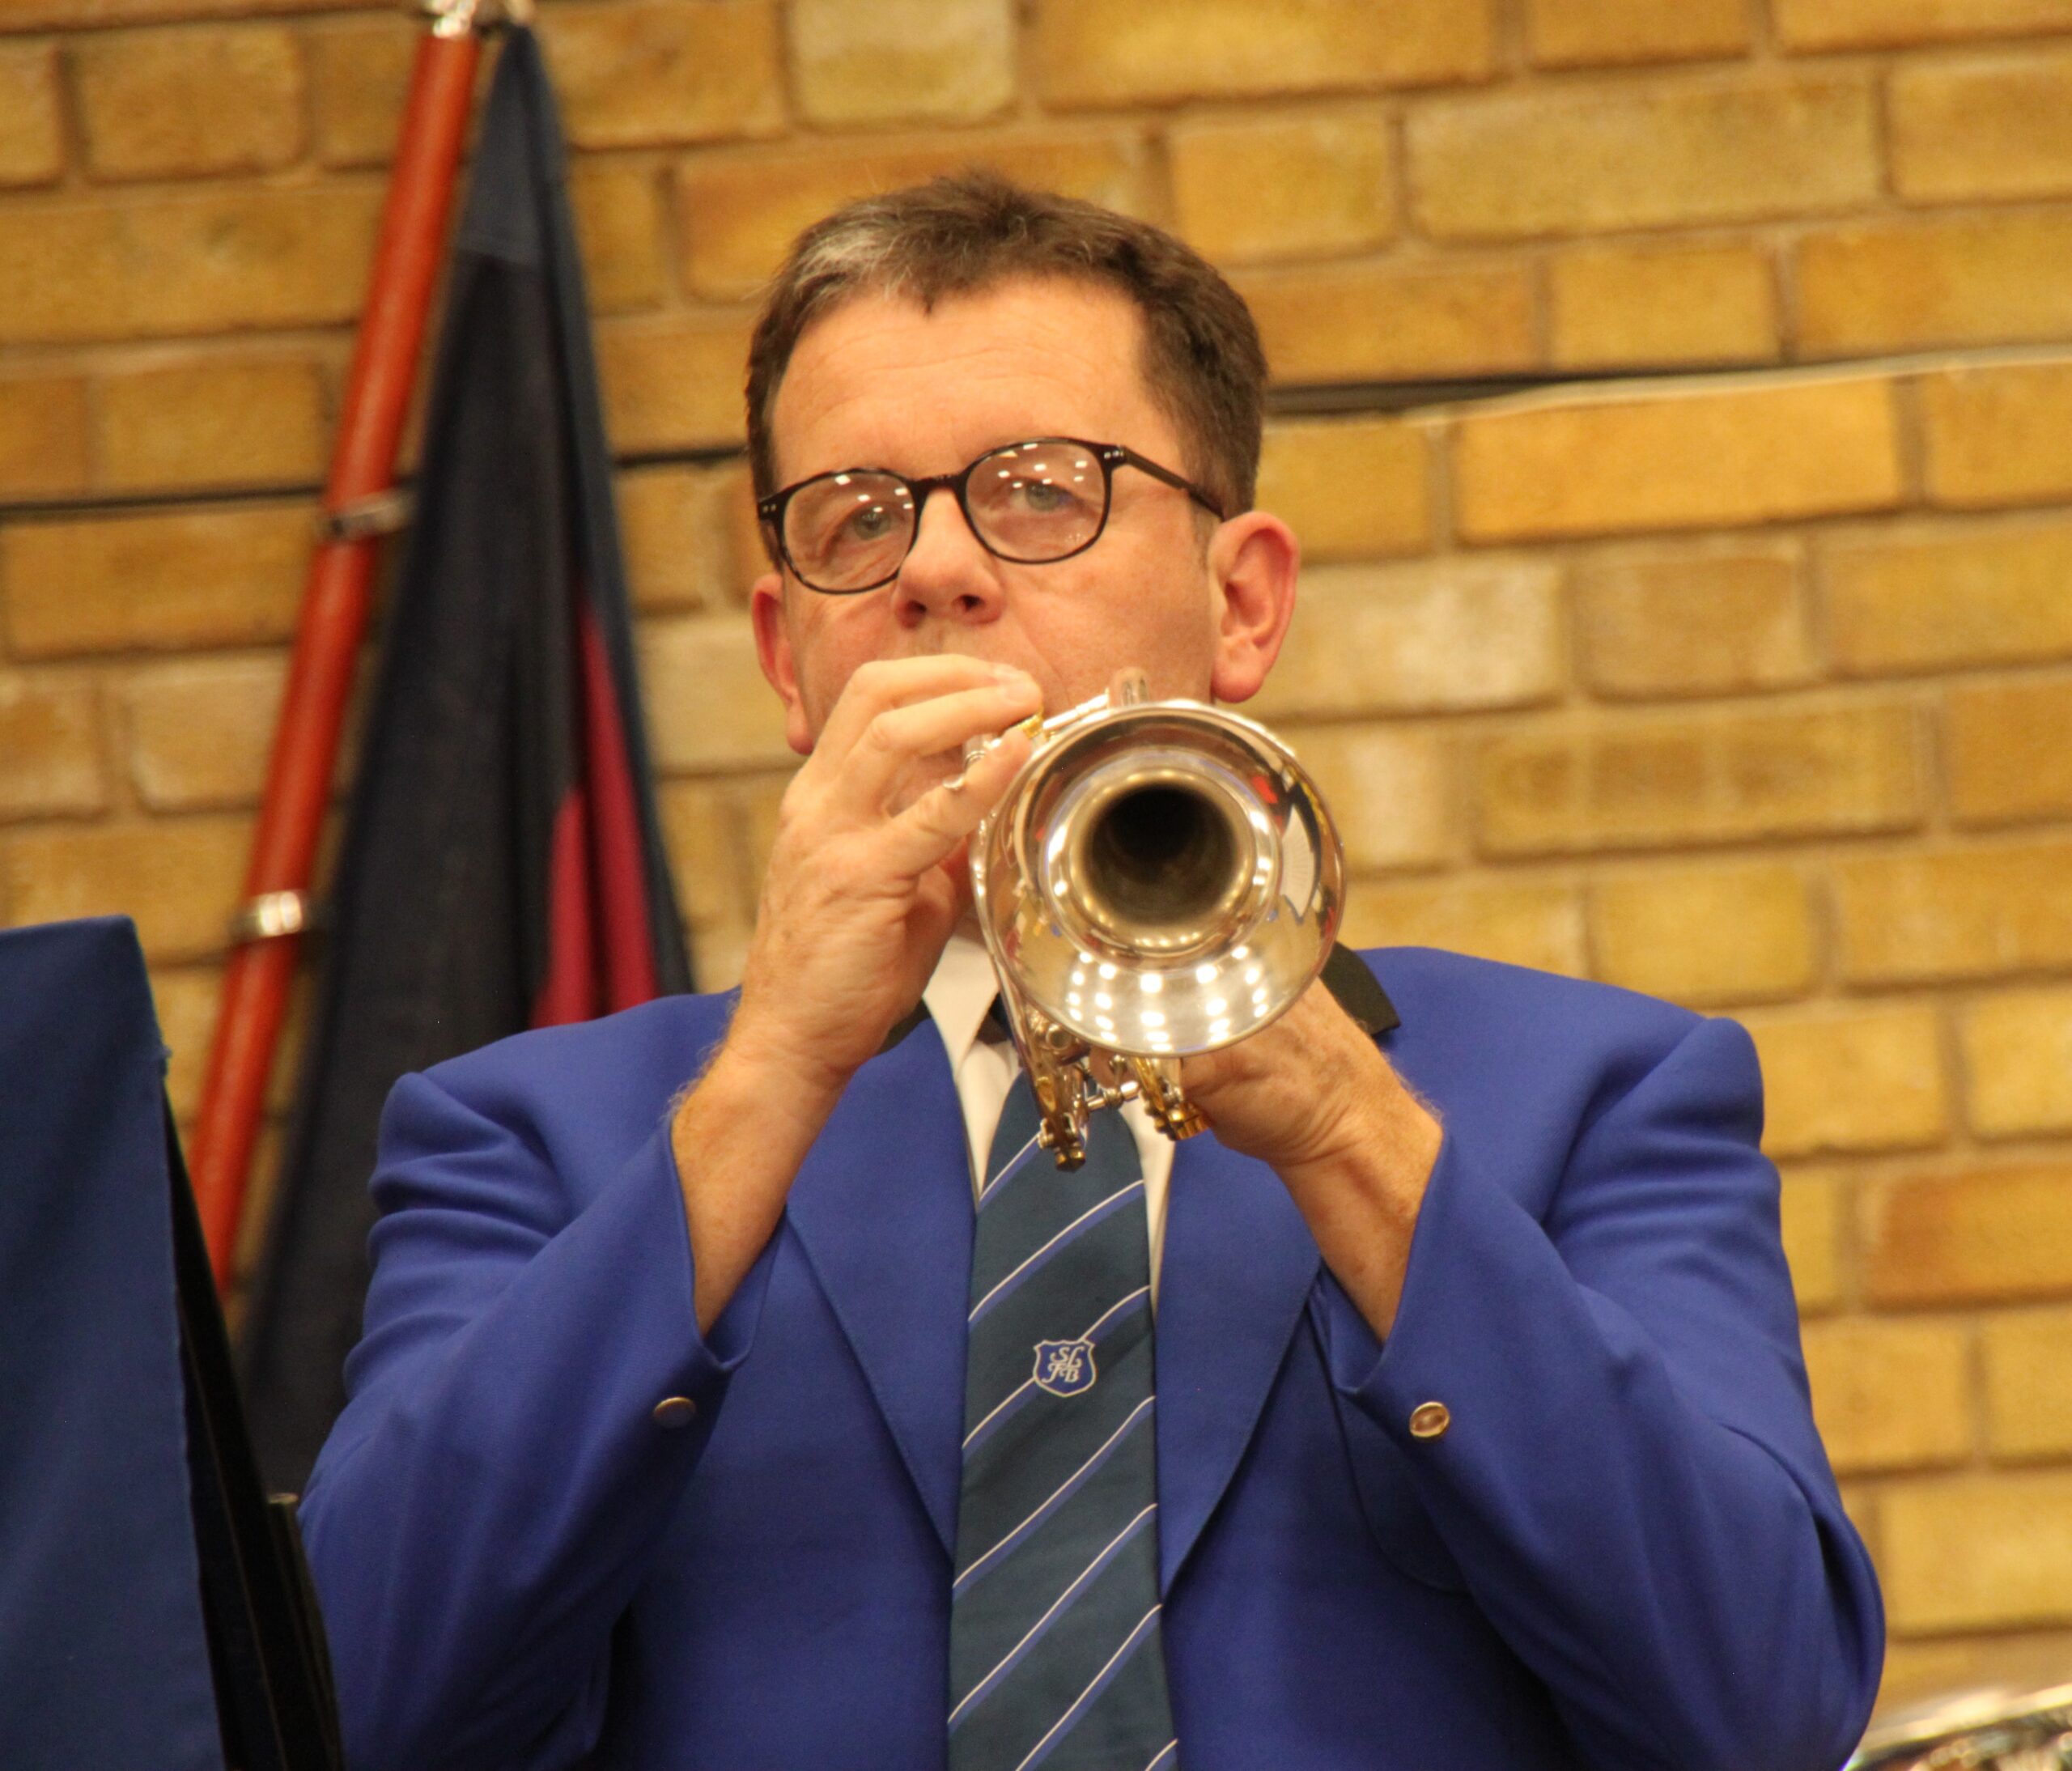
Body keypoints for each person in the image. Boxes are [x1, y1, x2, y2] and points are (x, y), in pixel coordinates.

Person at [299, 174, 1883, 1771]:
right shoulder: (525, 1137)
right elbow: (356, 1700)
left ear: (1240, 602)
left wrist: (1352, 1139)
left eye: (1041, 490)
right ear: (787, 657)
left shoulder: (1600, 1095)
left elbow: (1761, 1705)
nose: (934, 568)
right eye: (856, 517)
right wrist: (766, 1079)